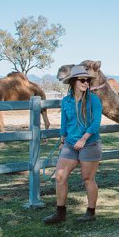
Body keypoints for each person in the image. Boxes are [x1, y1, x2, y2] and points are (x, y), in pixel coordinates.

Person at [44, 65, 103, 225]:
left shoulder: (94, 100)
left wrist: (84, 139)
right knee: (60, 176)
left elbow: (95, 123)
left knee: (87, 178)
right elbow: (64, 123)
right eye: (82, 80)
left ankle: (91, 212)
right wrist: (62, 140)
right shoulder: (66, 101)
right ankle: (60, 213)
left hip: (90, 143)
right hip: (70, 143)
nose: (86, 83)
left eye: (87, 80)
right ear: (73, 82)